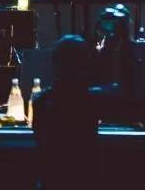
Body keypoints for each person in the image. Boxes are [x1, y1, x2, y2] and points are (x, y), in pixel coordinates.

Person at [33, 35, 100, 190]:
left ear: (55, 64)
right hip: (85, 181)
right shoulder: (92, 100)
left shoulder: (41, 102)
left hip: (51, 181)